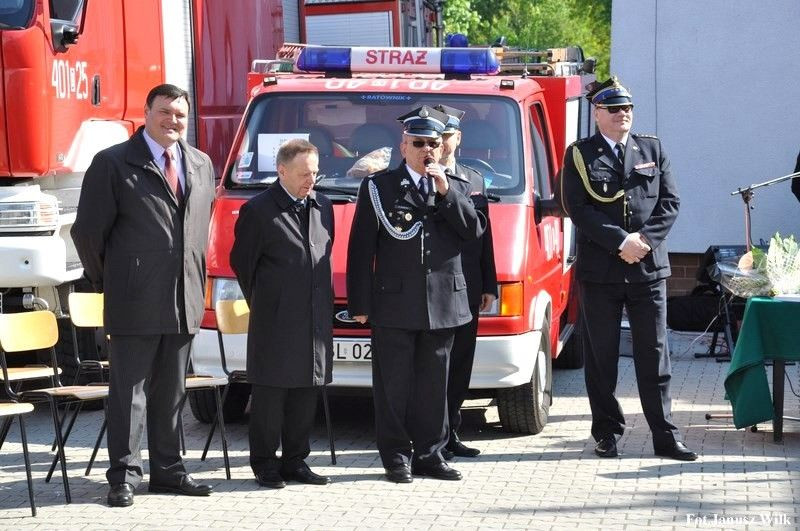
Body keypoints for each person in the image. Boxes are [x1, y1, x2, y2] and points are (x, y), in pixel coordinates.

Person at [71, 84, 216, 507]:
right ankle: (123, 477)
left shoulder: (201, 163)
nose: (173, 121)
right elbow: (88, 233)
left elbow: (198, 229)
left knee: (172, 394)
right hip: (134, 299)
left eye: (181, 115)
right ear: (146, 112)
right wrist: (113, 281)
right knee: (128, 394)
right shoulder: (113, 163)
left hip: (183, 297)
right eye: (165, 112)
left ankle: (169, 471)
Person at [561, 77, 698, 461]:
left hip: (648, 270)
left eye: (628, 108)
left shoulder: (651, 148)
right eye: (615, 109)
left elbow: (669, 202)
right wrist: (621, 241)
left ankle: (665, 435)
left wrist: (643, 242)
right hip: (601, 272)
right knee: (601, 358)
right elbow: (577, 207)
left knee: (654, 355)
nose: (624, 114)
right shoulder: (580, 154)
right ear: (597, 113)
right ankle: (607, 433)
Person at [347, 105, 485, 483]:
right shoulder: (379, 187)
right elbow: (362, 248)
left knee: (434, 385)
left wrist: (444, 193)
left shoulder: (456, 186)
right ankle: (395, 456)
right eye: (420, 143)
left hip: (443, 303)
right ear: (404, 145)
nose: (428, 150)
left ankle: (431, 454)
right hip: (394, 301)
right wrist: (360, 303)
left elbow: (473, 233)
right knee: (393, 386)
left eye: (434, 144)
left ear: (443, 148)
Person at [230, 139, 334, 489]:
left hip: (314, 317)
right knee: (271, 396)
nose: (311, 180)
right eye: (305, 173)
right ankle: (264, 463)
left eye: (315, 173)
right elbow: (242, 264)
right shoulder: (259, 210)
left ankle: (296, 461)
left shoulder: (322, 206)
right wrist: (268, 300)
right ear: (282, 171)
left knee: (306, 392)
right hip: (275, 319)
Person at [434, 104, 497, 459]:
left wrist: (489, 283)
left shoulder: (473, 179)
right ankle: (431, 436)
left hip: (468, 284)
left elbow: (483, 236)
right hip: (435, 284)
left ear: (458, 138)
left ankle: (451, 432)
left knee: (460, 364)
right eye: (436, 137)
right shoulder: (422, 175)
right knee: (435, 367)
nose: (442, 143)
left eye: (447, 136)